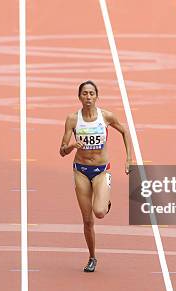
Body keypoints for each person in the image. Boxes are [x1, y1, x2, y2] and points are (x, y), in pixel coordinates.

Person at [59, 80, 132, 272]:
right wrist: (73, 146)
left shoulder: (106, 116)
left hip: (101, 170)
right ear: (79, 97)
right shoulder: (72, 119)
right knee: (87, 220)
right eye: (85, 93)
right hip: (81, 171)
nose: (88, 97)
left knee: (99, 212)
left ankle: (104, 199)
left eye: (92, 93)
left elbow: (125, 131)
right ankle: (92, 257)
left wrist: (128, 159)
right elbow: (62, 151)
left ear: (96, 96)